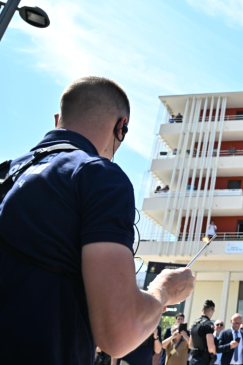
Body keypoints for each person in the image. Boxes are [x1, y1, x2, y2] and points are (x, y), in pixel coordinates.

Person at [0, 76, 195, 364]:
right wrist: (163, 289)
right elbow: (118, 334)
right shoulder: (99, 177)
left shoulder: (7, 173)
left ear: (58, 119)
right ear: (121, 127)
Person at [189, 300, 217, 365]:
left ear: (202, 310)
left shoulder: (195, 323)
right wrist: (214, 355)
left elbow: (190, 345)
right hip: (204, 360)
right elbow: (211, 347)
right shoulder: (208, 324)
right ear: (212, 310)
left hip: (194, 360)